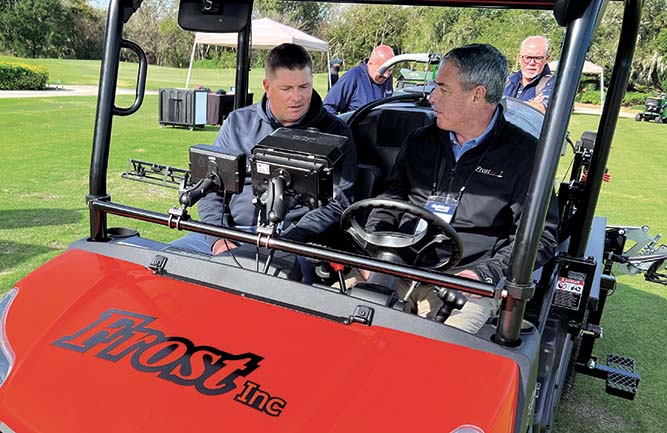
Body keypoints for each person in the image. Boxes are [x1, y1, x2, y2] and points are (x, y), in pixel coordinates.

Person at [363, 43, 559, 334]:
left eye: (443, 89)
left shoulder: (525, 156)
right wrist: (375, 250)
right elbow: (390, 199)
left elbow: (540, 237)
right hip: (398, 264)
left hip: (465, 283)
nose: (431, 97)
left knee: (443, 355)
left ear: (477, 95)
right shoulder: (420, 141)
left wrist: (482, 275)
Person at [172, 43, 357, 255]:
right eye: (286, 89)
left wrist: (289, 242)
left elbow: (338, 204)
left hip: (294, 239)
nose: (296, 97)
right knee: (169, 261)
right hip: (231, 232)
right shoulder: (237, 123)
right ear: (267, 87)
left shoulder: (336, 134)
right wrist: (219, 236)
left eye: (304, 87)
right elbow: (211, 186)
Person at [323, 44, 395, 114]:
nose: (386, 75)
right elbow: (327, 106)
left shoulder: (388, 78)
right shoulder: (352, 77)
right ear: (370, 63)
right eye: (383, 70)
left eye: (390, 70)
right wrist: (339, 125)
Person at [504, 35, 555, 113]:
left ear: (547, 59)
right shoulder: (507, 81)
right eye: (527, 57)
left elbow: (545, 108)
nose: (531, 63)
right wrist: (530, 105)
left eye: (537, 58)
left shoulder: (553, 83)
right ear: (519, 58)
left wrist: (504, 105)